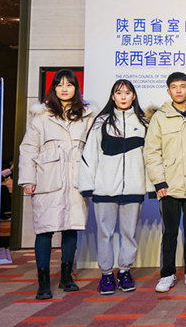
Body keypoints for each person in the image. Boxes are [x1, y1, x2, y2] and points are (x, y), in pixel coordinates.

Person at [18, 69, 96, 300]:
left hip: (75, 180)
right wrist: (28, 179)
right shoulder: (41, 116)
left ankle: (66, 277)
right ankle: (43, 282)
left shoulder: (87, 115)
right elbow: (28, 149)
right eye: (59, 84)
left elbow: (93, 150)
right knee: (45, 230)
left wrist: (92, 182)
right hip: (47, 179)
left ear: (76, 88)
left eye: (69, 84)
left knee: (71, 227)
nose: (64, 89)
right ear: (53, 88)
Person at [78, 79, 151, 295]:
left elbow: (150, 157)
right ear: (113, 96)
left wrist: (151, 186)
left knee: (129, 234)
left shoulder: (144, 123)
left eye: (127, 93)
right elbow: (90, 155)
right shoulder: (101, 123)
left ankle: (125, 271)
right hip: (104, 189)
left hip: (134, 188)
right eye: (119, 93)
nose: (123, 96)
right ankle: (107, 274)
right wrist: (88, 187)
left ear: (133, 96)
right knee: (105, 234)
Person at [144, 72, 186, 292]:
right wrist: (159, 182)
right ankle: (167, 274)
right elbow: (151, 152)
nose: (179, 90)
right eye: (174, 87)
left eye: (182, 86)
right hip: (169, 185)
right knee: (170, 233)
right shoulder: (159, 118)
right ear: (168, 91)